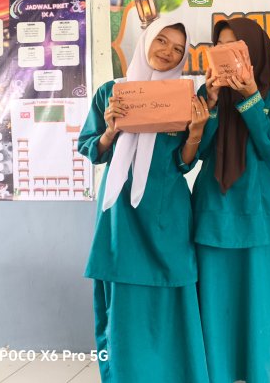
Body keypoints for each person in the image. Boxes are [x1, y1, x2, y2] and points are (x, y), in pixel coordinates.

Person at [78, 19, 210, 383]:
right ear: (147, 40)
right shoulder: (112, 92)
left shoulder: (186, 97)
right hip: (120, 212)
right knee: (123, 298)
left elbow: (183, 163)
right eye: (162, 41)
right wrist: (111, 131)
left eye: (178, 49)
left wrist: (196, 133)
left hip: (167, 212)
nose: (168, 52)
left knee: (170, 296)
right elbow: (92, 149)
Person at [192, 17, 270, 383]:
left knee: (260, 299)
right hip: (214, 207)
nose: (226, 53)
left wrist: (250, 96)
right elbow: (198, 152)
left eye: (236, 46)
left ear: (253, 51)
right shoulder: (206, 94)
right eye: (220, 46)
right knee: (216, 300)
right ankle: (218, 373)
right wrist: (211, 102)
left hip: (257, 207)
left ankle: (262, 373)